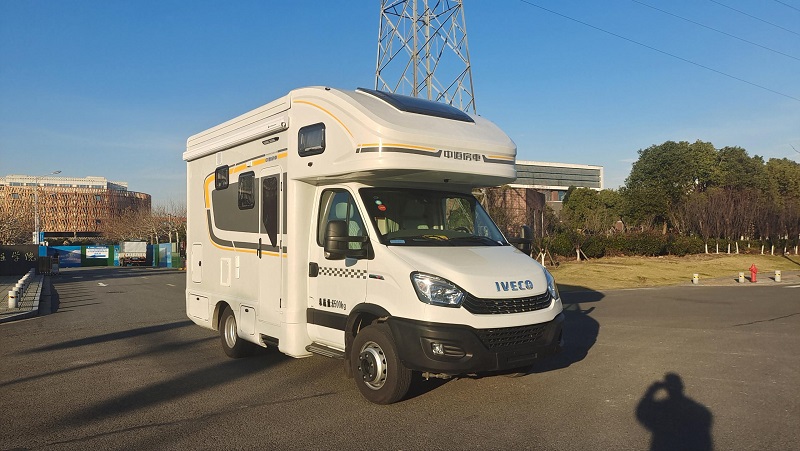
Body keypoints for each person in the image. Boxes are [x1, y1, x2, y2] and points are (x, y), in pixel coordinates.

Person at [636, 373, 713, 451]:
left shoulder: (662, 407)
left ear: (666, 388)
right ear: (681, 386)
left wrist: (652, 390)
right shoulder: (701, 410)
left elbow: (641, 412)